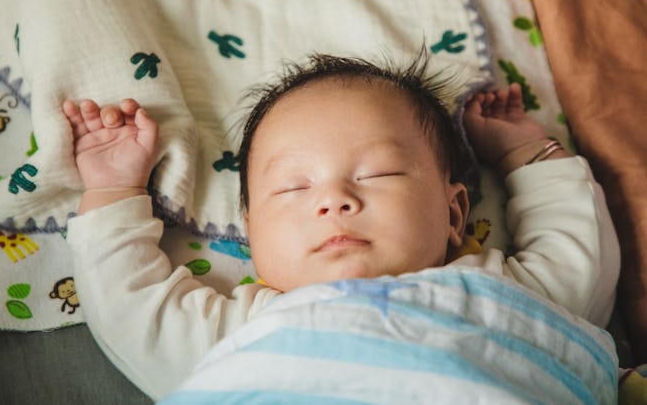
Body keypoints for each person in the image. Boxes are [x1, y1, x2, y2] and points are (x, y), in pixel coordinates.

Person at [63, 54, 620, 403]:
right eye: (292, 188)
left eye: (377, 173)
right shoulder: (246, 332)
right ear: (252, 238)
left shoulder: (507, 299)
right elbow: (128, 304)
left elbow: (580, 251)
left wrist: (528, 150)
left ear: (454, 214)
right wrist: (114, 188)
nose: (333, 200)